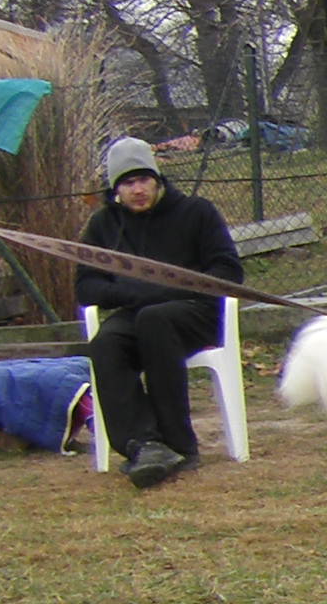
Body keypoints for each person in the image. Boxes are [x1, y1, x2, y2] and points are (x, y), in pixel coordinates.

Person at [78, 134, 245, 487]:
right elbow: (86, 286)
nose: (137, 190)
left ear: (157, 180)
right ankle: (144, 444)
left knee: (155, 319)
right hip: (136, 309)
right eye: (127, 183)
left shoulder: (197, 213)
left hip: (195, 312)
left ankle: (181, 444)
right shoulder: (102, 225)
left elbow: (228, 271)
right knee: (105, 343)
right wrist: (128, 292)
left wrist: (167, 290)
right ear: (115, 190)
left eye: (144, 180)